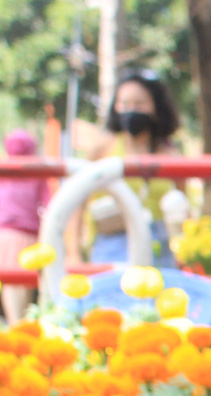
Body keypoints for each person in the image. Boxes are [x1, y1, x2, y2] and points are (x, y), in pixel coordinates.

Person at [74, 72, 186, 264]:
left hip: (158, 246)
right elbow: (77, 198)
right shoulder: (104, 148)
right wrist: (73, 252)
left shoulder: (169, 155)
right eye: (125, 104)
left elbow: (183, 206)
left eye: (139, 103)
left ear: (156, 107)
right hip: (112, 242)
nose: (131, 110)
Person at [0, 128, 49, 319]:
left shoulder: (0, 171)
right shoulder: (38, 172)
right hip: (30, 235)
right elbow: (48, 205)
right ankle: (19, 325)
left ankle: (14, 324)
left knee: (10, 284)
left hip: (5, 235)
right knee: (25, 286)